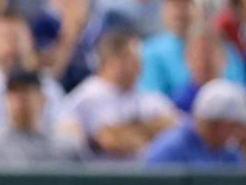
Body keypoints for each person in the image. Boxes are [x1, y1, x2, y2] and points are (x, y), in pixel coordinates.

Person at [56, 30, 179, 160]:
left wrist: (125, 129)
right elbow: (111, 140)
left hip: (149, 174)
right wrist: (151, 129)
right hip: (108, 177)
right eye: (132, 59)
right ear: (113, 61)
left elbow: (175, 129)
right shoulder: (86, 97)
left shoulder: (150, 97)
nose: (139, 65)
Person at [139, 0, 246, 98]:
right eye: (173, 3)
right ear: (163, 9)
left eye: (186, 3)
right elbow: (153, 100)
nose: (179, 10)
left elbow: (240, 88)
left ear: (200, 8)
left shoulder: (223, 47)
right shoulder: (149, 51)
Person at [144, 78, 246, 165]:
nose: (239, 132)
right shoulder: (170, 149)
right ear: (220, 124)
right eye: (235, 125)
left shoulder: (230, 152)